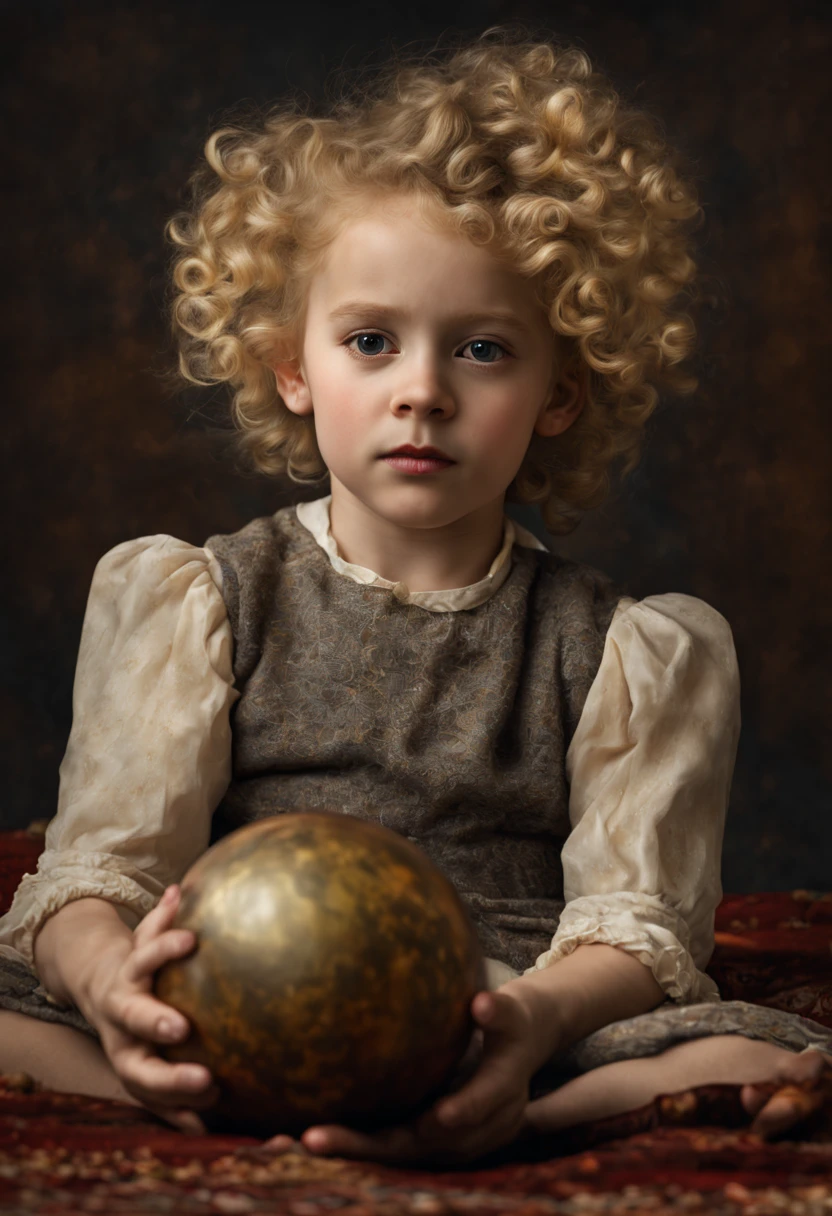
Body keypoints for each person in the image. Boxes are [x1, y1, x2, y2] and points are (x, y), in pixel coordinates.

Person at [0, 31, 830, 1166]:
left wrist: (530, 1020)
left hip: (497, 1003)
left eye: (484, 349)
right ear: (292, 363)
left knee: (746, 1055)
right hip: (240, 985)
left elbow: (639, 927)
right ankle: (179, 1084)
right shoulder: (198, 596)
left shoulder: (630, 648)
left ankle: (501, 1113)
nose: (422, 393)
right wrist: (113, 991)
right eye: (371, 342)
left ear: (560, 391)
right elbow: (105, 869)